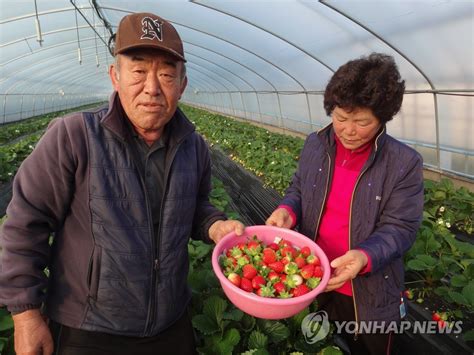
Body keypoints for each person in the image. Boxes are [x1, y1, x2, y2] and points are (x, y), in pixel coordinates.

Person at [0, 12, 244, 355]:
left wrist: (215, 225)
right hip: (89, 327)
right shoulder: (74, 136)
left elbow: (197, 206)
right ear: (115, 76)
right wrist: (25, 315)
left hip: (170, 322)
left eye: (166, 74)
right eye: (139, 71)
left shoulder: (194, 147)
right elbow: (26, 223)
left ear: (182, 85)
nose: (152, 87)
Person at [266, 53, 424, 354]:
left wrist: (364, 256)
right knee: (326, 344)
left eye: (362, 122)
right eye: (340, 118)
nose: (348, 130)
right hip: (315, 276)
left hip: (369, 290)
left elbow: (401, 227)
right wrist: (288, 209)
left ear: (383, 118)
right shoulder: (316, 144)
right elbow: (299, 188)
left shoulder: (403, 163)